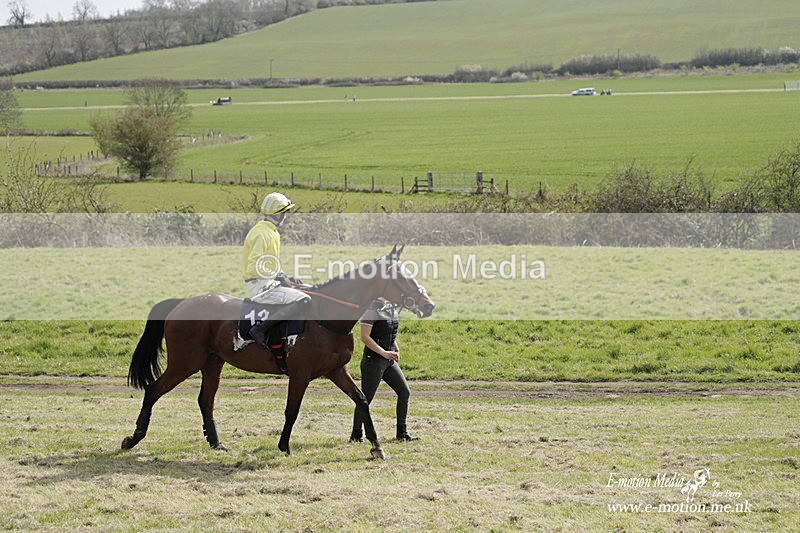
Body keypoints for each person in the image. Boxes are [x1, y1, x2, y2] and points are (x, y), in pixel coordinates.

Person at [241, 192, 310, 350]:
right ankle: (259, 330)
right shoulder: (262, 234)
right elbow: (254, 266)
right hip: (260, 286)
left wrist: (285, 276)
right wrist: (277, 276)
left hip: (267, 281)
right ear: (278, 215)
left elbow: (269, 263)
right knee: (304, 300)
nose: (286, 216)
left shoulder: (271, 231)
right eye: (284, 212)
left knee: (306, 289)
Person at [350, 298, 419, 443]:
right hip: (373, 361)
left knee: (404, 392)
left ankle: (402, 434)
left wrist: (395, 347)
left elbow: (389, 331)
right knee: (365, 399)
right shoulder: (371, 309)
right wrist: (384, 353)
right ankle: (356, 435)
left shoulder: (391, 308)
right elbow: (365, 337)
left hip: (388, 361)